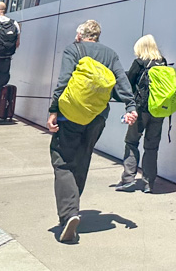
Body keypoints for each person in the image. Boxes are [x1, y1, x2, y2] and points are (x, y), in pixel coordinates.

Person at [47, 20, 136, 243]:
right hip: (97, 118)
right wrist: (130, 107)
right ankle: (72, 209)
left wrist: (53, 110)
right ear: (97, 36)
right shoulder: (110, 54)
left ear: (79, 35)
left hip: (70, 116)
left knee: (62, 161)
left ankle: (69, 213)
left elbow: (63, 81)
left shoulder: (73, 49)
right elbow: (122, 81)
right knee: (83, 159)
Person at [117, 35, 168, 193]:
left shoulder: (139, 62)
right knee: (152, 147)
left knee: (131, 142)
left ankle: (128, 180)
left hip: (141, 110)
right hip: (159, 110)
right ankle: (148, 183)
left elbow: (128, 83)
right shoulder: (163, 62)